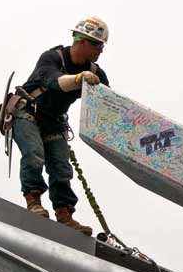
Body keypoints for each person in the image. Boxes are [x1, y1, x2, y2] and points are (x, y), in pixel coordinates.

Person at [12, 16, 110, 236]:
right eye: (97, 44)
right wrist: (77, 79)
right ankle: (34, 201)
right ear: (82, 41)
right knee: (33, 154)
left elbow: (108, 103)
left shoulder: (95, 72)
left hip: (53, 121)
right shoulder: (52, 58)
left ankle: (65, 214)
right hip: (27, 113)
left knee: (61, 166)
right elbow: (53, 81)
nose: (101, 50)